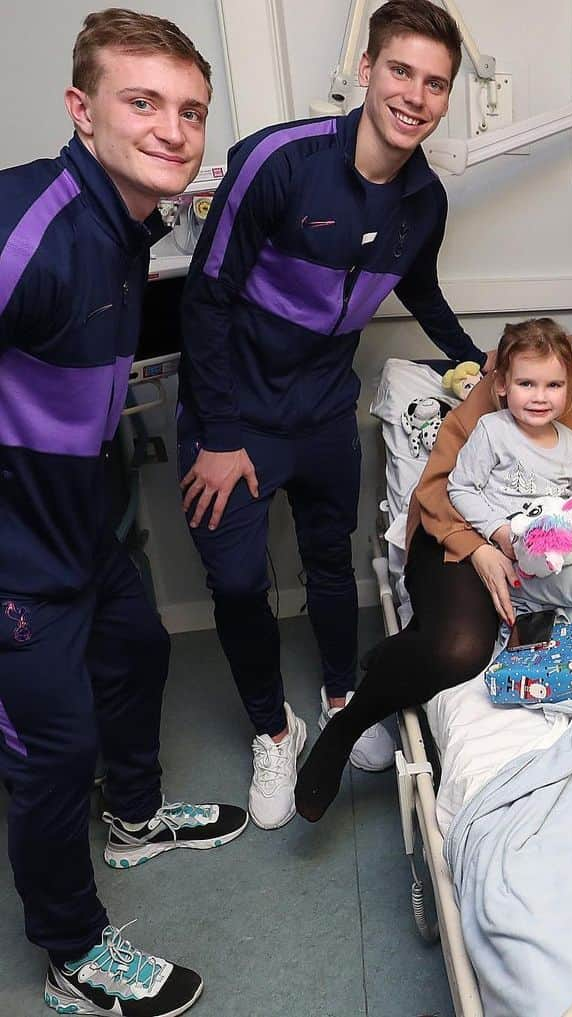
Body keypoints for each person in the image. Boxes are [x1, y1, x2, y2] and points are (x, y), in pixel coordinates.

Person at [177, 0, 490, 831]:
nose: (415, 97)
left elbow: (417, 289)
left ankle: (344, 690)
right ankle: (274, 731)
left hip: (321, 411)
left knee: (329, 558)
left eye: (435, 84)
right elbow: (204, 300)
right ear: (366, 69)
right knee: (239, 580)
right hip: (233, 414)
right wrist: (216, 435)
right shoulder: (277, 161)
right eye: (400, 71)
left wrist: (480, 367)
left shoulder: (424, 199)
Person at [0, 10, 248, 1017]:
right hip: (15, 557)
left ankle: (136, 818)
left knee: (141, 648)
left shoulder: (125, 224)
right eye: (141, 101)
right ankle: (70, 953)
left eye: (190, 109)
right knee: (53, 756)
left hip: (78, 524)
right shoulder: (28, 227)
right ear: (82, 110)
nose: (173, 129)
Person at [293, 276, 572, 821]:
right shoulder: (533, 369)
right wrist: (481, 548)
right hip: (455, 533)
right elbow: (437, 486)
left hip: (542, 560)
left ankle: (398, 653)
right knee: (461, 650)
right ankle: (347, 727)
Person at [447, 318, 572, 558]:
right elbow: (461, 489)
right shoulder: (493, 431)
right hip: (513, 552)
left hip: (560, 551)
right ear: (502, 384)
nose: (540, 397)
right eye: (526, 384)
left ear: (569, 387)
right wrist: (499, 530)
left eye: (554, 385)